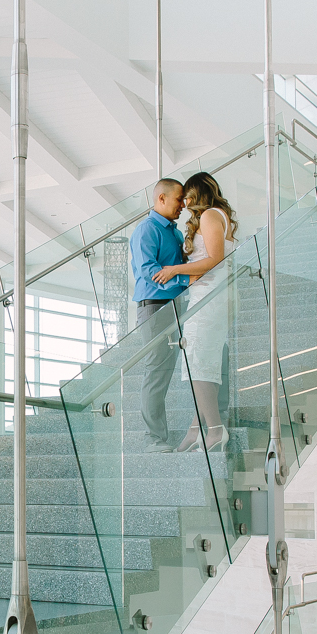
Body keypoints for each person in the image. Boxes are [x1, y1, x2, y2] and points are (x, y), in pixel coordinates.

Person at [152, 172, 238, 451]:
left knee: (198, 363)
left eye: (187, 195)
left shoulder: (211, 215)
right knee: (203, 364)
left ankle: (214, 429)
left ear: (198, 193)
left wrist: (175, 269)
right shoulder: (216, 215)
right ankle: (196, 429)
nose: (185, 202)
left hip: (209, 300)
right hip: (210, 297)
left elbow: (214, 260)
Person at [130, 178, 187, 450]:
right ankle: (152, 438)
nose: (183, 206)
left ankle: (159, 436)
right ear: (161, 198)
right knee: (156, 371)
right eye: (179, 199)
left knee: (164, 372)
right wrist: (186, 282)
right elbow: (149, 272)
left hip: (176, 306)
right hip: (154, 307)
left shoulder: (174, 232)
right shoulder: (147, 230)